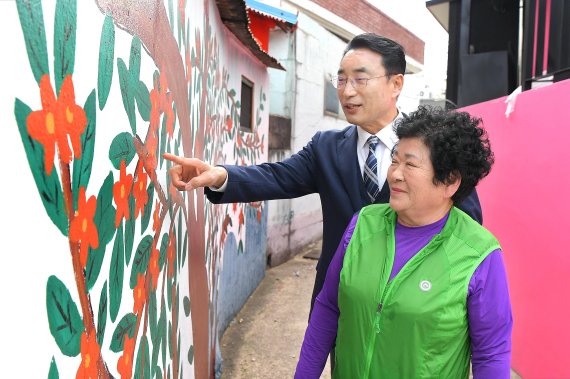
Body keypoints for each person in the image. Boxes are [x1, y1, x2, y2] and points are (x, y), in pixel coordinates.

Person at [163, 33, 482, 315]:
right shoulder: (326, 147)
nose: (347, 91)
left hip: (414, 307)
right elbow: (277, 177)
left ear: (396, 83)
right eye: (341, 80)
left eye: (360, 79)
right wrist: (219, 174)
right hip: (340, 304)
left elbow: (467, 225)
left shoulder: (435, 145)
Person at [294, 106, 512, 378]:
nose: (395, 173)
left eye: (410, 164)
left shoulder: (479, 253)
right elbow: (328, 306)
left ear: (450, 181)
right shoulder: (363, 224)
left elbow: (491, 352)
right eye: (395, 160)